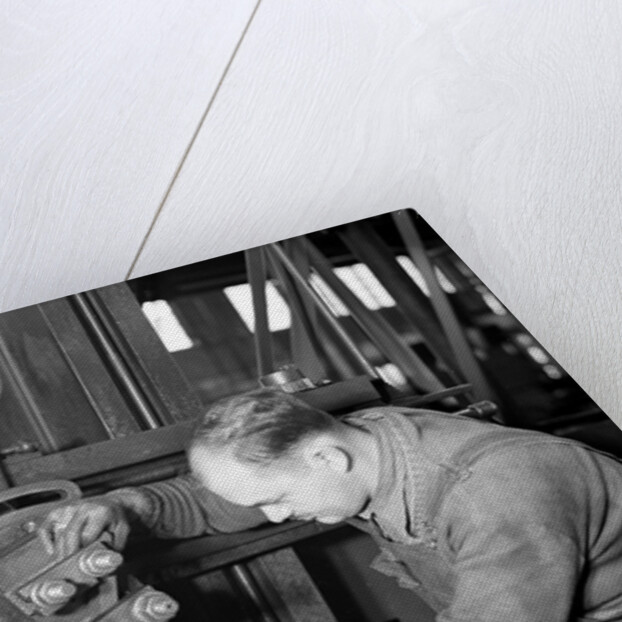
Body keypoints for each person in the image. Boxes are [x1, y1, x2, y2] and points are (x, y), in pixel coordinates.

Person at [40, 388, 622, 621]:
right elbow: (214, 505)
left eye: (277, 499)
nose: (269, 517)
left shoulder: (492, 491)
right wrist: (125, 505)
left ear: (324, 459)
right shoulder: (360, 446)